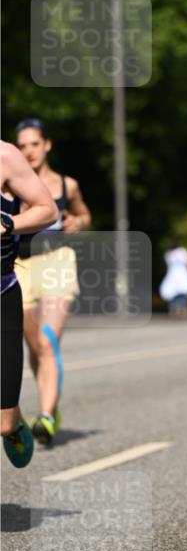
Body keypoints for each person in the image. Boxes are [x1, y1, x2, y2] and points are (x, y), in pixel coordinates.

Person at [15, 118, 91, 446]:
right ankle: (51, 400)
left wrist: (79, 221)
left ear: (47, 145)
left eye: (34, 144)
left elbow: (84, 214)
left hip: (58, 261)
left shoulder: (66, 185)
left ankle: (45, 414)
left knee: (47, 341)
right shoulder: (11, 183)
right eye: (22, 146)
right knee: (34, 346)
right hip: (20, 265)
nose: (29, 151)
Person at [1, 140, 58, 467]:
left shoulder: (5, 157)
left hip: (3, 293)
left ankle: (14, 422)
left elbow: (48, 209)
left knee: (3, 422)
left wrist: (7, 224)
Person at [159, 247, 187, 318]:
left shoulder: (169, 253)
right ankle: (182, 311)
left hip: (172, 275)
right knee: (182, 294)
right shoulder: (183, 251)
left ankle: (175, 311)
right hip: (182, 274)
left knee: (173, 293)